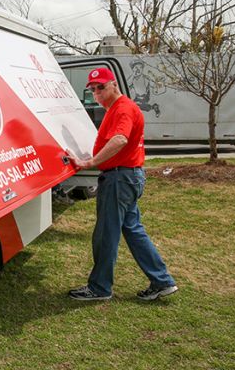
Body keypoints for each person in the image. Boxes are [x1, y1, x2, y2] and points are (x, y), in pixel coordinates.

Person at [67, 67, 177, 301]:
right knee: (134, 230)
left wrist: (91, 162)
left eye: (101, 87)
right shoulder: (116, 108)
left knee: (106, 234)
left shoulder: (123, 109)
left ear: (114, 85)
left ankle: (99, 288)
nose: (97, 92)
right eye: (93, 89)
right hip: (128, 176)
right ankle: (162, 281)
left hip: (120, 179)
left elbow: (120, 139)